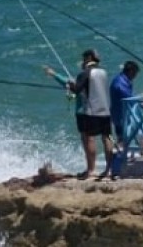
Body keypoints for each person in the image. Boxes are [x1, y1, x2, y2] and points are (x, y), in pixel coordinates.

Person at [45, 49, 114, 180]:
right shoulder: (103, 73)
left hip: (89, 112)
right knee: (107, 138)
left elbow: (76, 90)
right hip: (105, 110)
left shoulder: (85, 73)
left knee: (88, 139)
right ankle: (109, 169)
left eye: (84, 59)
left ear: (88, 58)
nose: (82, 62)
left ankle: (91, 170)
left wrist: (71, 84)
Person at [109, 60, 141, 168]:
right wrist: (138, 99)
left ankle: (123, 160)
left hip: (122, 115)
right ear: (131, 71)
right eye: (135, 74)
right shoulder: (120, 82)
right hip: (121, 116)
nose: (135, 77)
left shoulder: (123, 80)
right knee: (122, 140)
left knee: (124, 139)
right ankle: (118, 165)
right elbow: (127, 97)